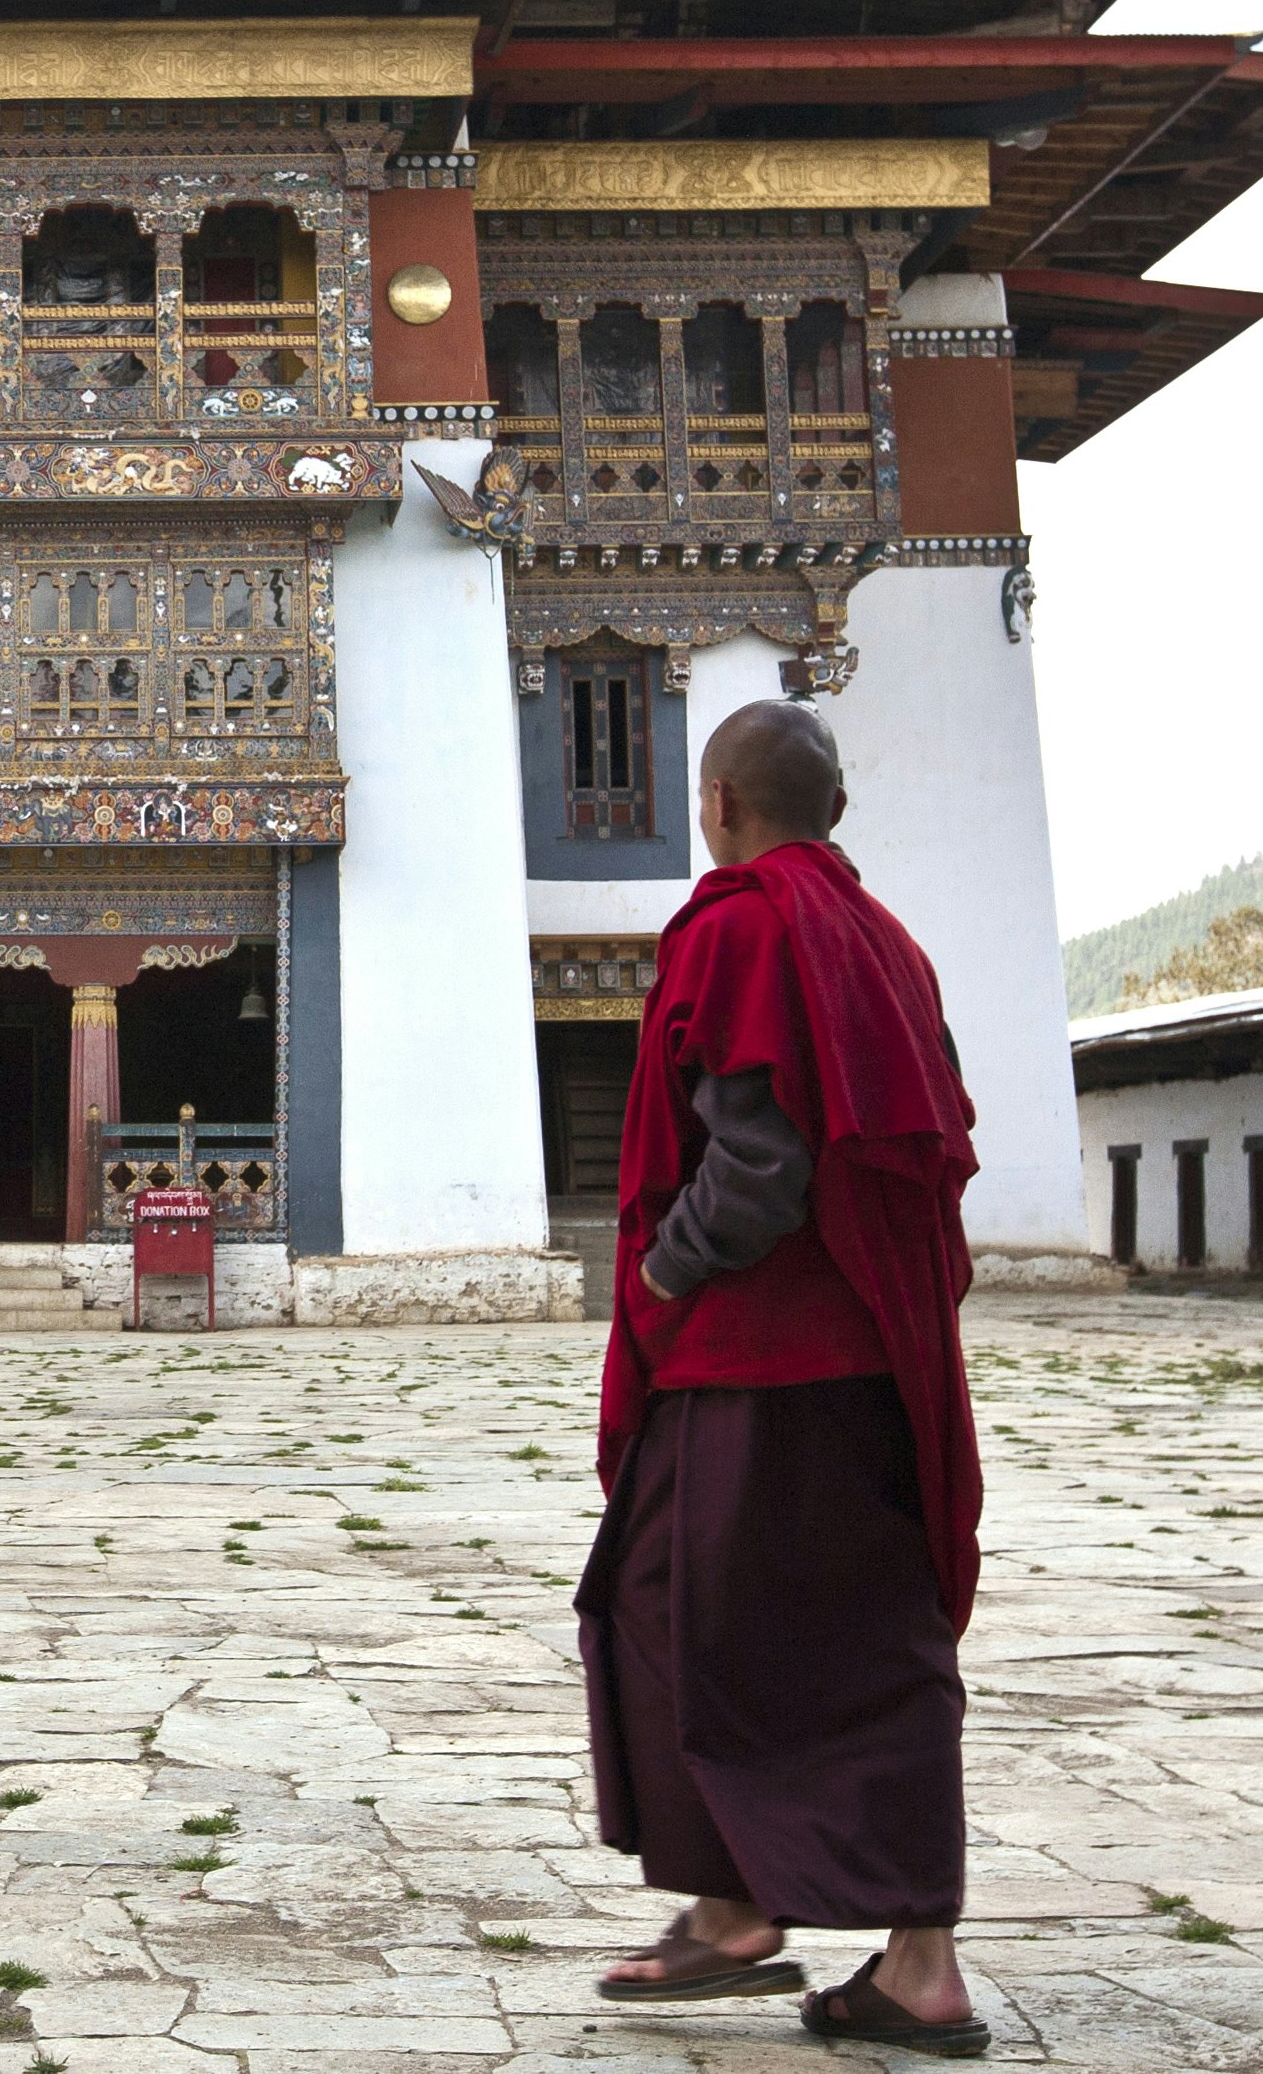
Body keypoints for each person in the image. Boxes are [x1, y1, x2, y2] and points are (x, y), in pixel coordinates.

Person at [580, 699, 989, 2058]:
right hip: (875, 1354)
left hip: (756, 1358)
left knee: (662, 1602)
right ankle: (838, 1935)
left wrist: (667, 1270)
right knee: (869, 1632)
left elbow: (760, 1161)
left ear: (719, 807)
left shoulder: (743, 925)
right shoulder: (885, 942)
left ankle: (746, 1912)